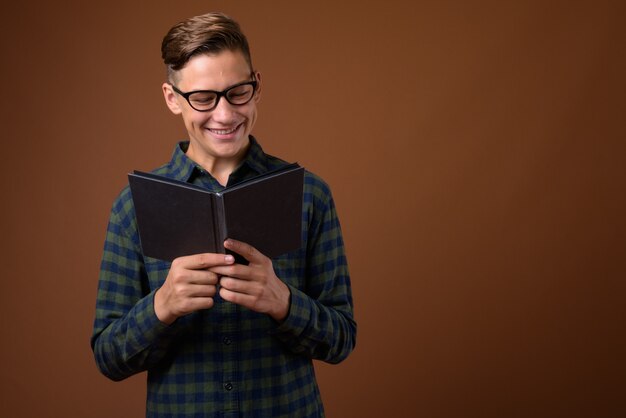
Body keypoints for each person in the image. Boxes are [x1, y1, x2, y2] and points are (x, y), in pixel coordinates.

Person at [91, 11, 356, 417]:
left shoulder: (309, 195)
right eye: (202, 98)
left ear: (258, 86)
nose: (225, 114)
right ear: (171, 98)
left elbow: (341, 339)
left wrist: (284, 302)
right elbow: (109, 357)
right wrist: (161, 306)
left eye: (238, 92)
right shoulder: (132, 206)